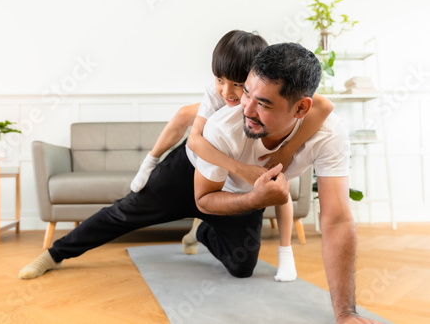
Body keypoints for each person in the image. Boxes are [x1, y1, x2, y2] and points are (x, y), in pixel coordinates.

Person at [187, 42, 379, 324]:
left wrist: (346, 313)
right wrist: (256, 198)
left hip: (240, 190)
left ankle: (202, 232)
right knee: (128, 211)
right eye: (247, 94)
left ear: (301, 108)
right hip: (191, 169)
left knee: (242, 266)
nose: (247, 110)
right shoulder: (220, 127)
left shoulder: (328, 131)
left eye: (263, 103)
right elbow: (203, 198)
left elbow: (336, 219)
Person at [130, 30, 334, 282]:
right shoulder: (220, 98)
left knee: (280, 187)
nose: (228, 92)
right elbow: (194, 141)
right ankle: (150, 160)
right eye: (220, 80)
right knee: (185, 114)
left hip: (250, 148)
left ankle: (285, 251)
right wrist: (239, 168)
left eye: (238, 85)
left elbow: (324, 105)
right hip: (211, 160)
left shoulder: (259, 98)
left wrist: (287, 150)